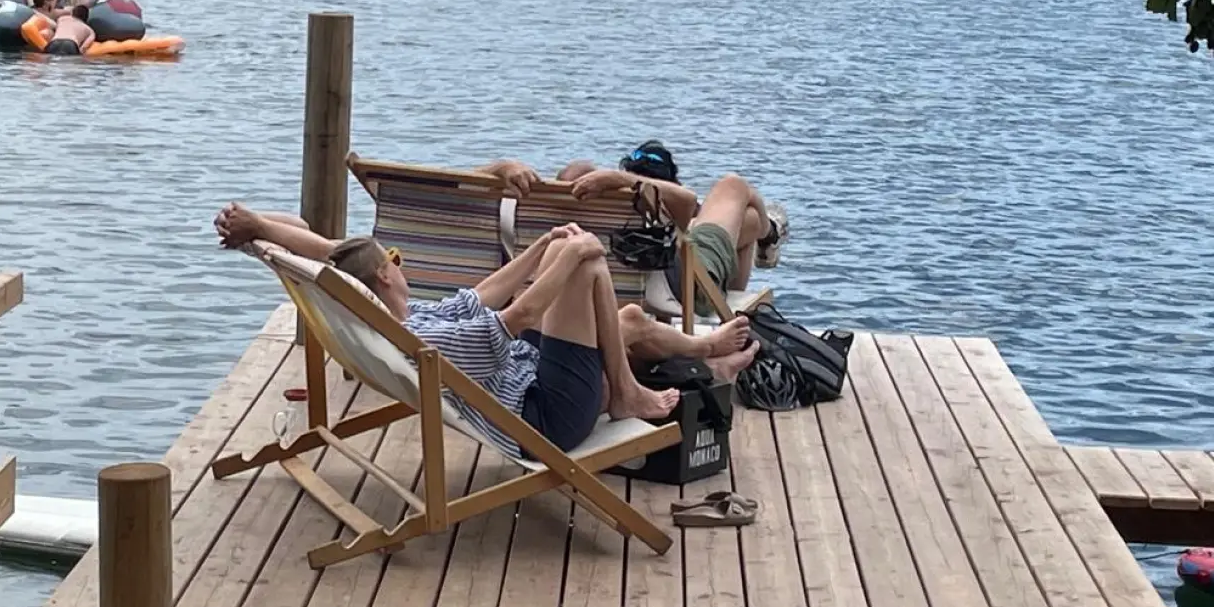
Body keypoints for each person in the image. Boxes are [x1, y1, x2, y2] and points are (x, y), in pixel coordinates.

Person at [215, 205, 759, 442]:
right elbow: (518, 315)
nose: (402, 267)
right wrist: (569, 258)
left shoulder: (409, 319)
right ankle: (628, 394)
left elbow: (485, 295)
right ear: (385, 276)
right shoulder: (425, 340)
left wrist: (544, 246)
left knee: (630, 317)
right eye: (395, 263)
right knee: (588, 264)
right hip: (544, 417)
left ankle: (707, 356)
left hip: (537, 382)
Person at [542, 142, 789, 314]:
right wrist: (624, 181)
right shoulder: (656, 206)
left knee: (747, 221)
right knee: (734, 186)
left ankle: (765, 233)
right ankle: (770, 235)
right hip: (689, 289)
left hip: (617, 288)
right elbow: (689, 200)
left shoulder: (569, 227)